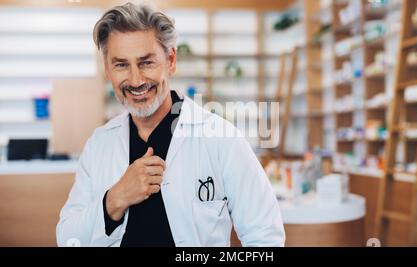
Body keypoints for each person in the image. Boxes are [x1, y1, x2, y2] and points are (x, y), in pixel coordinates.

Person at [56, 2, 284, 247]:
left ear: (171, 60)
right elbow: (68, 239)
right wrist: (114, 199)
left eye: (146, 62)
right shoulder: (99, 144)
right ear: (107, 70)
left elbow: (265, 239)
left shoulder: (221, 139)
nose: (135, 79)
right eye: (121, 64)